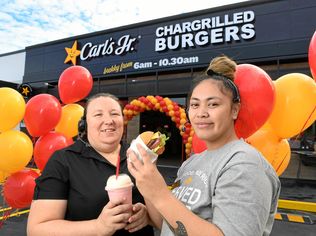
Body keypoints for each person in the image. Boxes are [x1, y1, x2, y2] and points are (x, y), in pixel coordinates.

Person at [127, 56, 281, 236]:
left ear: (234, 110)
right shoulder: (191, 164)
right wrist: (148, 182)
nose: (201, 113)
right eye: (194, 104)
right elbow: (172, 226)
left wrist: (161, 195)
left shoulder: (245, 165)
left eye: (213, 104)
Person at [27, 93, 154, 236]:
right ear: (84, 125)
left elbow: (164, 213)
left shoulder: (139, 155)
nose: (109, 120)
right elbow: (37, 229)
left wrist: (148, 216)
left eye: (114, 114)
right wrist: (97, 227)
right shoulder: (63, 161)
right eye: (98, 115)